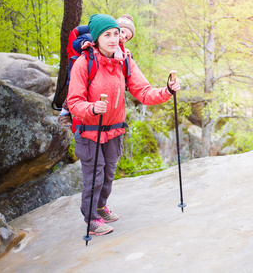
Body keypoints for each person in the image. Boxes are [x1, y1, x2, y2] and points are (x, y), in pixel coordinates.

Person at [67, 14, 180, 236]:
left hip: (115, 130)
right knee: (94, 177)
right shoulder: (84, 63)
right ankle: (91, 218)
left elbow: (144, 92)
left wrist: (167, 90)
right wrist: (91, 108)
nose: (113, 38)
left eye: (116, 33)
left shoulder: (125, 61)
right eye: (107, 34)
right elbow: (74, 102)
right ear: (97, 38)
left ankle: (101, 207)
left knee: (108, 174)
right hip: (90, 132)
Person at [58, 14, 136, 128]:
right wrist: (83, 44)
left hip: (105, 73)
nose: (122, 37)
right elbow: (75, 43)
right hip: (89, 67)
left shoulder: (120, 49)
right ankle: (65, 112)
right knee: (77, 91)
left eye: (127, 37)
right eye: (122, 32)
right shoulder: (97, 35)